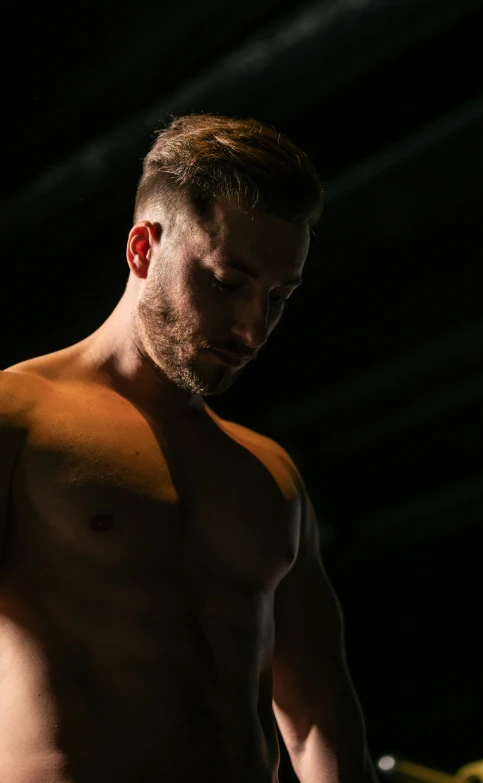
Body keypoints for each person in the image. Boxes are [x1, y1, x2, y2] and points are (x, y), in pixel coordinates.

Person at [0, 114, 377, 783]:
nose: (253, 328)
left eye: (278, 297)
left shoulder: (269, 475)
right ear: (144, 248)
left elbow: (319, 716)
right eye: (228, 282)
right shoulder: (16, 418)